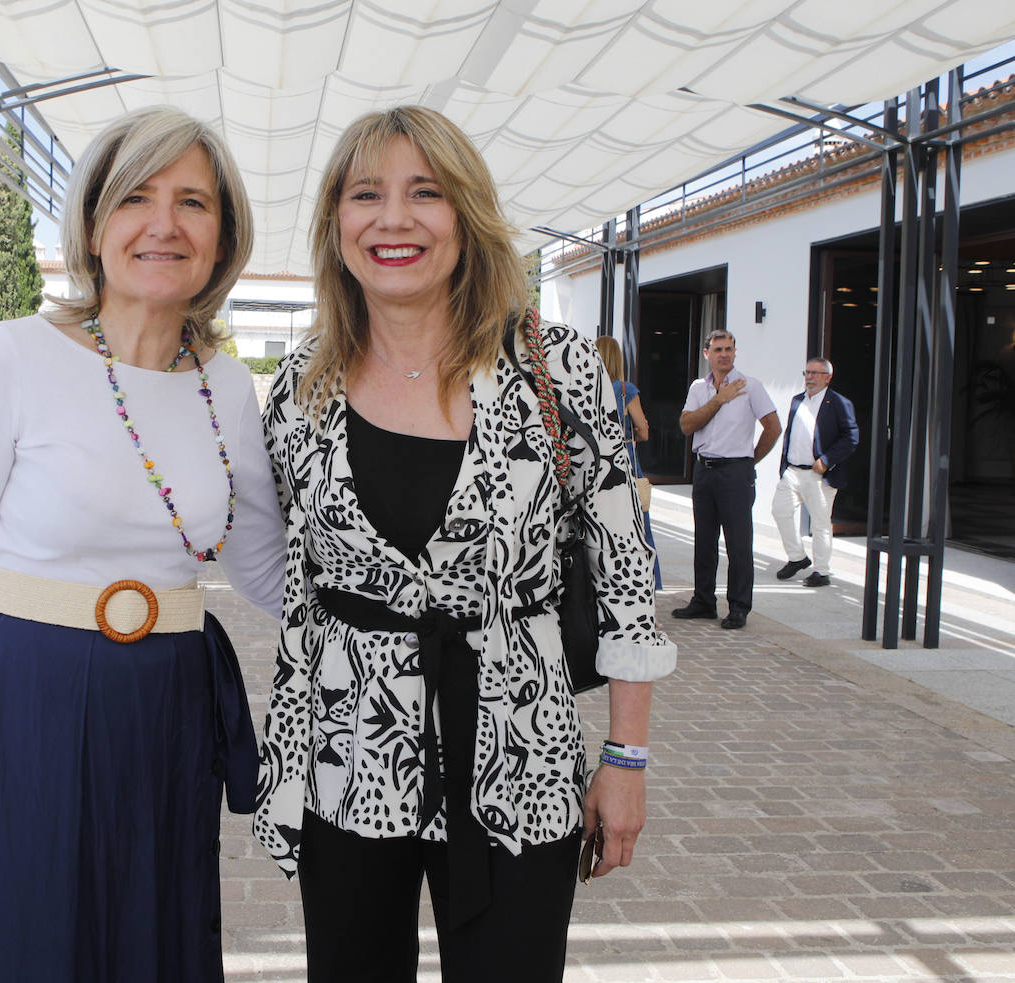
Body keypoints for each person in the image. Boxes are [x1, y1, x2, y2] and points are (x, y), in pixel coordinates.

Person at [254, 105, 676, 982]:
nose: (393, 219)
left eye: (425, 192)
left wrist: (626, 756)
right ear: (335, 222)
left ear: (467, 213)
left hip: (520, 744)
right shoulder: (301, 384)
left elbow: (625, 576)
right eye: (365, 194)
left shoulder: (558, 368)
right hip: (349, 750)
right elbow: (287, 566)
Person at [0, 107, 286, 982]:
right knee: (21, 945)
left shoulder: (227, 385)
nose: (164, 223)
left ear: (223, 238)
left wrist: (409, 615)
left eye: (192, 202)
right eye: (136, 197)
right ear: (95, 225)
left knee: (147, 946)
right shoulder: (15, 356)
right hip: (17, 703)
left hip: (163, 714)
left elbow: (263, 566)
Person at [672, 329, 781, 630]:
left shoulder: (750, 386)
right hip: (704, 470)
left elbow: (773, 427)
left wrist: (750, 460)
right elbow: (687, 425)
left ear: (735, 352)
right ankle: (703, 600)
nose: (724, 355)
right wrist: (719, 400)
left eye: (729, 349)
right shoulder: (699, 388)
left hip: (735, 471)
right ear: (707, 354)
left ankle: (739, 607)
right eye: (718, 349)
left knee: (738, 542)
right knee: (704, 540)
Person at [772, 357, 858, 587]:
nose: (809, 377)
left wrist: (826, 460)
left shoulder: (839, 403)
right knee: (780, 511)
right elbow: (791, 433)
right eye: (807, 372)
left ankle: (822, 571)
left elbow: (851, 438)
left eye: (815, 373)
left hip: (819, 474)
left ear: (827, 378)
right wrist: (784, 465)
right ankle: (797, 557)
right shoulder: (797, 400)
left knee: (820, 523)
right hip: (793, 471)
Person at [595, 335, 662, 590]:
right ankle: (645, 581)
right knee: (637, 523)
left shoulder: (589, 387)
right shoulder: (625, 390)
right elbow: (643, 430)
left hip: (597, 461)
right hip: (625, 461)